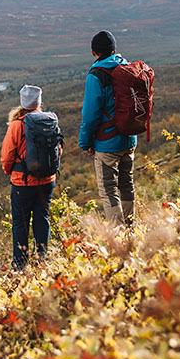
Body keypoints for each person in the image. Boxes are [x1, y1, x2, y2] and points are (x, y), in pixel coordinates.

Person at [79, 30, 137, 227]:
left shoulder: (96, 75)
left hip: (106, 143)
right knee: (126, 184)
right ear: (114, 50)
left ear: (94, 52)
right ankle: (131, 227)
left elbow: (90, 115)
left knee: (108, 190)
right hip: (129, 138)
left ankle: (119, 236)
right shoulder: (127, 67)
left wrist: (85, 142)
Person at [1, 85, 55, 269]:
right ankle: (42, 260)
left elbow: (7, 155)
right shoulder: (50, 121)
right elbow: (58, 149)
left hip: (22, 182)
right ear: (39, 102)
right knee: (42, 218)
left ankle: (20, 265)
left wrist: (9, 171)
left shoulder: (17, 125)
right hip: (47, 181)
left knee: (20, 224)